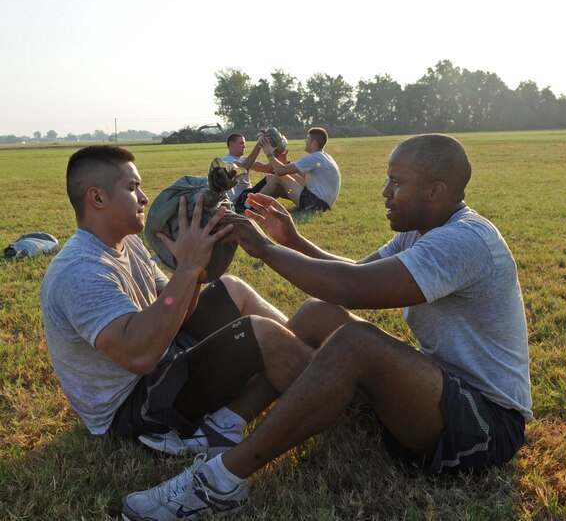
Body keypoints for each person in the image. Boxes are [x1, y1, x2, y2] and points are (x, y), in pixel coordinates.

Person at [121, 134, 532, 521]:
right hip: (442, 394)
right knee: (320, 312)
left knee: (357, 341)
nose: (385, 193)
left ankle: (220, 483)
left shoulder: (464, 240)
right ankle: (224, 425)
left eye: (396, 183)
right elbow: (355, 271)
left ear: (436, 191)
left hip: (486, 424)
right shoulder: (422, 233)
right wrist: (292, 241)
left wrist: (265, 249)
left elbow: (352, 288)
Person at [40, 145, 314, 463]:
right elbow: (140, 356)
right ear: (97, 198)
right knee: (259, 333)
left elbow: (173, 309)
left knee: (232, 288)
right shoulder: (80, 271)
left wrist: (196, 273)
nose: (143, 198)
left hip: (162, 359)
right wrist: (186, 269)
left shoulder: (127, 243)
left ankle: (309, 360)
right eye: (132, 188)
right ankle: (336, 389)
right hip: (132, 407)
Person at [257, 126, 341, 211]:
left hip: (316, 204)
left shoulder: (314, 157)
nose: (305, 141)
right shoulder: (324, 156)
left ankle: (251, 204)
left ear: (314, 143)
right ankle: (260, 202)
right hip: (321, 204)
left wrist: (269, 153)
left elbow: (280, 171)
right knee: (274, 179)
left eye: (307, 139)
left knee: (278, 177)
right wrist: (285, 164)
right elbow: (301, 178)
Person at [221, 132, 275, 213]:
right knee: (271, 178)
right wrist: (258, 146)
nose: (244, 146)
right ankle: (248, 205)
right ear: (231, 144)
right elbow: (244, 168)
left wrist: (276, 152)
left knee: (276, 177)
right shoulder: (226, 161)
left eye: (244, 143)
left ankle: (298, 198)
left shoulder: (244, 159)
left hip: (248, 193)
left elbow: (268, 169)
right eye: (241, 143)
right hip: (239, 200)